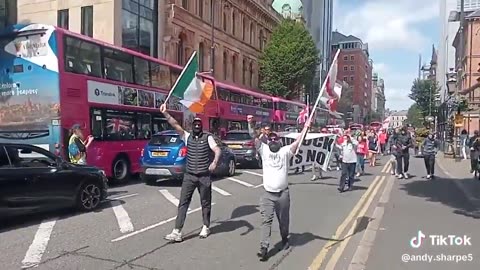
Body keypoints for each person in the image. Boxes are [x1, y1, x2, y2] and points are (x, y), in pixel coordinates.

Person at [247, 114, 309, 261]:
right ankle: (264, 247)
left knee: (283, 222)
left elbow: (299, 141)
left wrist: (305, 128)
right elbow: (253, 136)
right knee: (266, 221)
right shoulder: (264, 150)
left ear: (280, 141)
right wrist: (250, 123)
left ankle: (284, 238)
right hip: (268, 195)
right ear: (268, 141)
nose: (273, 140)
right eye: (271, 139)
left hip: (283, 195)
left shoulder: (285, 151)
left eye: (276, 139)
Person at [161, 104, 222, 242]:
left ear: (202, 125)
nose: (196, 126)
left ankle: (206, 226)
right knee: (183, 203)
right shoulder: (186, 136)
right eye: (195, 124)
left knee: (205, 202)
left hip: (204, 176)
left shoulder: (208, 137)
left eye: (199, 124)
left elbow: (217, 150)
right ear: (192, 125)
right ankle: (177, 231)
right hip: (189, 175)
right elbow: (175, 124)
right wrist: (166, 113)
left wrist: (214, 162)